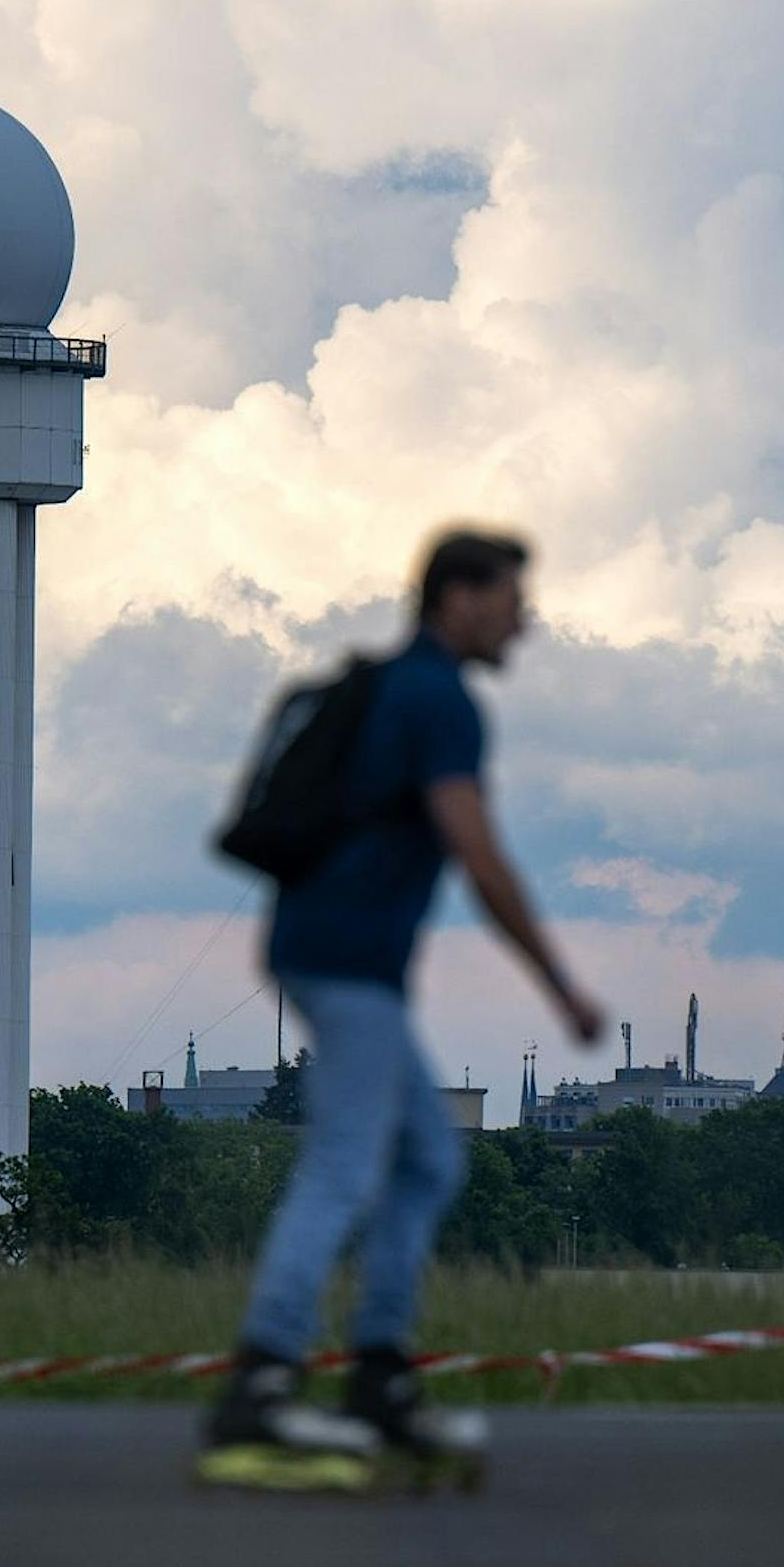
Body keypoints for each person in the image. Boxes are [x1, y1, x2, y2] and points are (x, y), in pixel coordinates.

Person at [201, 529, 604, 1486]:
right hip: (346, 960)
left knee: (425, 1156)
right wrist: (559, 983)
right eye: (513, 596)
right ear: (458, 597)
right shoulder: (438, 701)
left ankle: (379, 1374)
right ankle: (261, 1379)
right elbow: (476, 849)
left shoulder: (395, 688)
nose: (526, 619)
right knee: (344, 1165)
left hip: (328, 949)